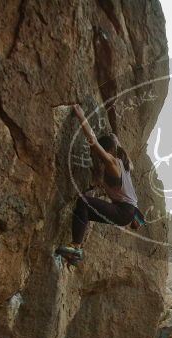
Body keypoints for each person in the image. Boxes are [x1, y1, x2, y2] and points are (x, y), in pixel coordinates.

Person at [56, 104, 143, 266]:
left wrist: (81, 117)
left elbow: (93, 141)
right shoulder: (126, 164)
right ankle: (75, 252)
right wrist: (116, 141)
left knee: (84, 201)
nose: (95, 156)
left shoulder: (112, 163)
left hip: (123, 212)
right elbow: (120, 150)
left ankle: (76, 247)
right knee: (84, 211)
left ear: (107, 151)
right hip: (128, 212)